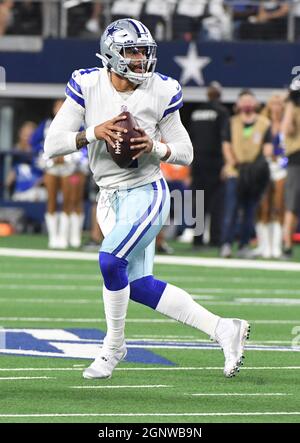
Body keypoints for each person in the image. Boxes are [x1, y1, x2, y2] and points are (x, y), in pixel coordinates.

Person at [44, 18, 250, 380]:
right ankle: (223, 328)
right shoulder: (87, 83)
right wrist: (93, 132)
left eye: (144, 51)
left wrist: (155, 146)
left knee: (109, 262)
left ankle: (113, 346)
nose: (140, 59)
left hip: (147, 190)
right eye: (132, 51)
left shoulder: (162, 90)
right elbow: (52, 144)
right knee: (137, 285)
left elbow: (185, 152)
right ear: (112, 54)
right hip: (108, 197)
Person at [221, 90, 273, 258]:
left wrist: (257, 167)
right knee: (231, 209)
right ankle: (226, 244)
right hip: (235, 171)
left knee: (250, 211)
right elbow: (226, 145)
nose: (247, 104)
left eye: (250, 100)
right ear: (238, 104)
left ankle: (244, 245)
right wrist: (233, 162)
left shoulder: (264, 123)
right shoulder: (232, 122)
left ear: (256, 104)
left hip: (254, 173)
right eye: (244, 100)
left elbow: (267, 148)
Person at [32, 99, 87, 249]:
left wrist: (69, 158)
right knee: (51, 200)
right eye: (57, 106)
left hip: (71, 168)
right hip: (51, 167)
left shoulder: (78, 124)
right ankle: (53, 237)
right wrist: (49, 157)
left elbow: (85, 145)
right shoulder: (46, 125)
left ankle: (67, 236)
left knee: (71, 200)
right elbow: (36, 144)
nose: (60, 108)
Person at [189, 81, 229, 248]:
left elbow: (190, 137)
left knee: (198, 200)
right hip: (215, 161)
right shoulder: (222, 112)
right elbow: (225, 138)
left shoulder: (196, 112)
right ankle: (215, 239)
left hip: (197, 160)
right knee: (216, 201)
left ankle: (197, 239)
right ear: (219, 95)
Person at [254, 94, 287, 259]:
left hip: (283, 167)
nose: (276, 107)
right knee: (263, 206)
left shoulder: (289, 122)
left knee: (279, 206)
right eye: (274, 103)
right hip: (264, 167)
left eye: (280, 104)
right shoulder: (262, 123)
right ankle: (264, 246)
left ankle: (276, 247)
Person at [281, 81, 300, 259]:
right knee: (292, 203)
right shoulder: (293, 107)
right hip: (297, 159)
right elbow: (287, 129)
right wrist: (290, 104)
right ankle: (286, 244)